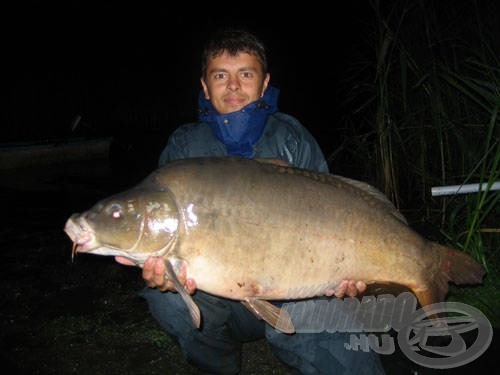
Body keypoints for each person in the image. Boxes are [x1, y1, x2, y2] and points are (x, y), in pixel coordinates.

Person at [117, 28, 385, 374]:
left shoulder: (292, 138)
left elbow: (337, 215)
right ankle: (220, 365)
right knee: (166, 300)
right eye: (220, 75)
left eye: (245, 74)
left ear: (264, 82)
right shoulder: (184, 149)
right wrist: (167, 275)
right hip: (217, 300)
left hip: (298, 292)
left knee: (335, 333)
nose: (233, 86)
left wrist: (345, 274)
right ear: (204, 85)